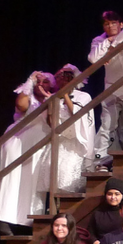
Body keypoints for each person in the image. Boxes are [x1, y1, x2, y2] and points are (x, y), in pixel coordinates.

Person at [0, 71, 52, 236]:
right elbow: (21, 106)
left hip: (38, 146)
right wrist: (29, 82)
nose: (41, 84)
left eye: (46, 81)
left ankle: (28, 221)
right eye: (38, 81)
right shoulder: (28, 98)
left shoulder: (52, 100)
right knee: (12, 179)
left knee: (33, 181)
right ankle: (3, 219)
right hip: (18, 142)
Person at [88, 11, 123, 170]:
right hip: (112, 88)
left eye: (113, 23)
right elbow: (93, 59)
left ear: (120, 24)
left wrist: (112, 47)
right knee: (107, 126)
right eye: (106, 24)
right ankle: (101, 162)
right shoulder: (99, 40)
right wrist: (108, 43)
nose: (110, 26)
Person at [48, 65, 94, 193]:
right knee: (54, 175)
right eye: (61, 77)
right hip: (60, 142)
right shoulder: (54, 97)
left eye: (68, 76)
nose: (64, 79)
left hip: (75, 143)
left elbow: (77, 114)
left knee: (68, 176)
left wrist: (65, 95)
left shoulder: (83, 96)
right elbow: (51, 122)